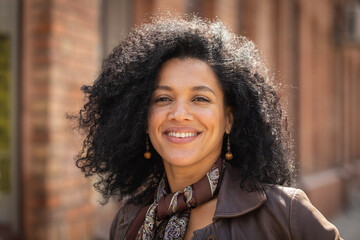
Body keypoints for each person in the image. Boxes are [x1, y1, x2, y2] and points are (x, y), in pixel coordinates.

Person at [75, 16, 342, 239]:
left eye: (200, 98)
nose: (179, 114)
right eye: (163, 98)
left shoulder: (285, 215)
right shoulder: (128, 219)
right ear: (142, 118)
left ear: (229, 119)